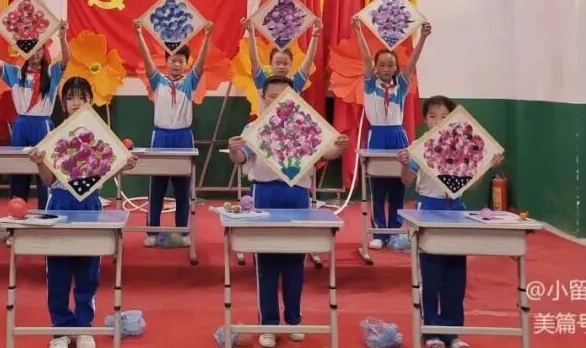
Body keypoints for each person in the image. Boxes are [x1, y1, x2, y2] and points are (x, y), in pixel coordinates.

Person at [227, 75, 349, 348]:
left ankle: (294, 320)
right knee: (266, 263)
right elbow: (241, 157)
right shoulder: (253, 128)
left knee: (295, 261)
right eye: (273, 96)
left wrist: (339, 147)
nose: (278, 101)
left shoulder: (305, 124)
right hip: (264, 194)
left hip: (297, 195)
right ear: (263, 97)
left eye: (284, 97)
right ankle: (268, 324)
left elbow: (328, 152)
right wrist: (234, 150)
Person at [29, 77, 138, 348]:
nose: (76, 102)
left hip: (90, 207)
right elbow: (47, 180)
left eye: (81, 96)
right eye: (70, 97)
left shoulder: (102, 135)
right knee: (58, 273)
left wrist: (125, 164)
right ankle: (60, 330)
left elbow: (111, 167)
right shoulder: (53, 136)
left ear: (91, 100)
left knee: (88, 272)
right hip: (59, 206)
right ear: (63, 103)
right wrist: (40, 163)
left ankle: (83, 327)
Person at [398, 95, 505, 348]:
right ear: (425, 120)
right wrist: (402, 164)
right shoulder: (419, 147)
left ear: (454, 119)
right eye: (432, 116)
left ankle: (453, 332)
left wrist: (486, 166)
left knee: (456, 274)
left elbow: (472, 186)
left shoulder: (463, 145)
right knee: (431, 274)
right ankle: (431, 332)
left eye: (445, 116)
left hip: (456, 210)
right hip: (428, 209)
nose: (438, 121)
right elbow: (406, 181)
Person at [132, 18, 213, 247]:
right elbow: (147, 60)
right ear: (166, 62)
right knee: (157, 187)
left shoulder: (190, 82)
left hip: (183, 137)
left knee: (182, 188)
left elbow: (202, 62)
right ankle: (152, 231)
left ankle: (183, 231)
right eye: (173, 60)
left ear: (186, 63)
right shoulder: (158, 81)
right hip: (161, 137)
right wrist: (139, 34)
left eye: (180, 61)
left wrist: (207, 36)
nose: (176, 64)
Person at [353, 18, 431, 249]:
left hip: (398, 136)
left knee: (398, 186)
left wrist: (423, 37)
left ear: (396, 67)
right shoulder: (370, 83)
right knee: (378, 187)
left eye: (391, 65)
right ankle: (379, 233)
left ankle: (396, 231)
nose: (386, 69)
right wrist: (358, 30)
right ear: (376, 68)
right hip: (377, 136)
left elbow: (413, 61)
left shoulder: (402, 85)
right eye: (382, 65)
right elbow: (366, 57)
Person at [0, 19, 70, 211]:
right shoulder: (15, 73)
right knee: (18, 171)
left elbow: (66, 59)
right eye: (31, 50)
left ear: (43, 51)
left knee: (45, 169)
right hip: (21, 126)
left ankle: (45, 212)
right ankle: (16, 212)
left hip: (43, 125)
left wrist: (63, 37)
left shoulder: (51, 72)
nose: (35, 54)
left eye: (39, 50)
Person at [242, 17, 322, 98]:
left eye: (285, 63)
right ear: (271, 64)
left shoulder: (295, 82)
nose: (281, 66)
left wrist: (315, 35)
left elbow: (309, 59)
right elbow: (254, 59)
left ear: (291, 64)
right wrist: (251, 32)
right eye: (277, 63)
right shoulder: (263, 81)